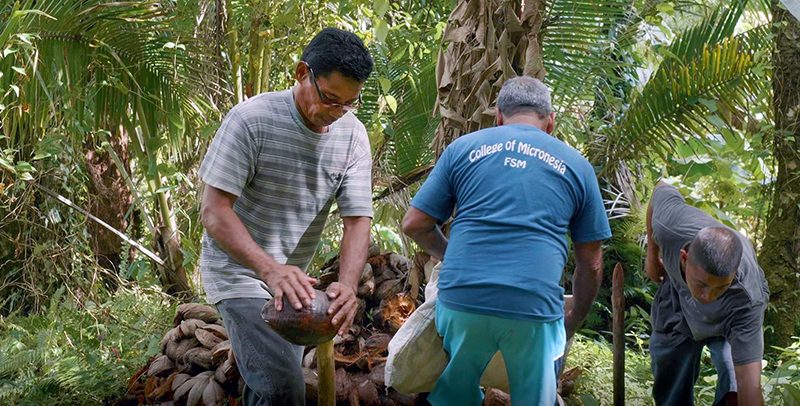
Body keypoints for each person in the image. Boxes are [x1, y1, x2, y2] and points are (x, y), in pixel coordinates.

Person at [401, 76, 611, 405]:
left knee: (456, 392)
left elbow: (415, 224)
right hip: (534, 309)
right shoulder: (577, 166)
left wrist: (453, 255)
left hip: (462, 301)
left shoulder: (463, 149)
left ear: (498, 116)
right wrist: (574, 319)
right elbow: (591, 262)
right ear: (551, 122)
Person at [198, 28, 374, 405]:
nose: (336, 112)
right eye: (329, 98)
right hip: (238, 272)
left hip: (291, 281)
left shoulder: (354, 137)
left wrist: (347, 284)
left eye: (349, 103)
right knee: (283, 389)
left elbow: (358, 219)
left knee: (275, 384)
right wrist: (270, 270)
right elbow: (213, 211)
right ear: (301, 73)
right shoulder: (251, 119)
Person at [646, 181, 769, 405]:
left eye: (720, 287)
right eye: (702, 284)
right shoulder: (671, 226)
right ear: (684, 258)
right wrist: (652, 256)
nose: (709, 297)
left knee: (735, 380)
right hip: (678, 305)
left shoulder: (747, 300)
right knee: (671, 376)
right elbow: (660, 188)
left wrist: (716, 289)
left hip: (729, 314)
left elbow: (750, 385)